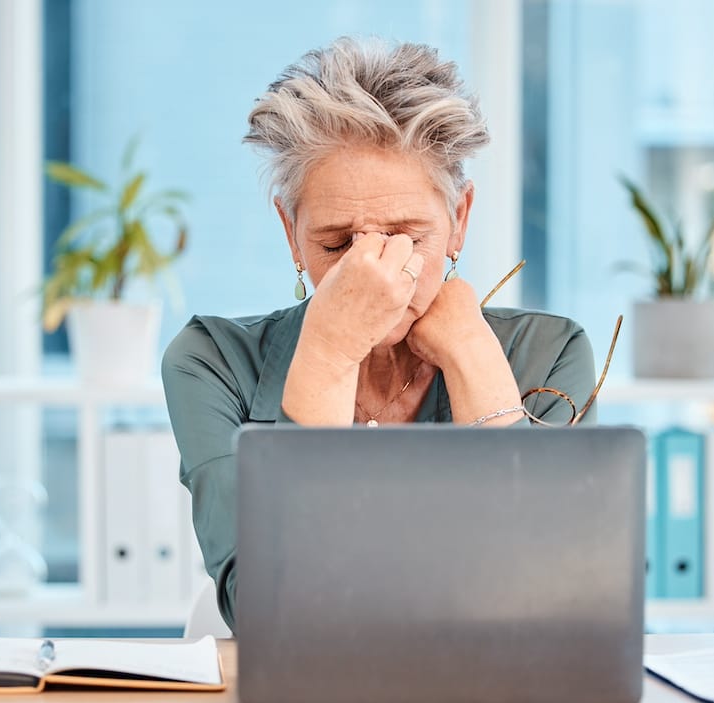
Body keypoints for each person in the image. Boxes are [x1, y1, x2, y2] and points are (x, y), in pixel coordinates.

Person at [162, 38, 596, 631]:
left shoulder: (549, 354)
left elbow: (548, 603)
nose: (371, 275)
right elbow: (271, 612)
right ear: (291, 233)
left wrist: (473, 356)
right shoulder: (211, 362)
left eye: (407, 238)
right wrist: (328, 352)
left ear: (458, 220)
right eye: (337, 244)